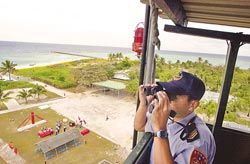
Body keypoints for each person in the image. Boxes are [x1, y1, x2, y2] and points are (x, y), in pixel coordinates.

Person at [134, 71, 216, 164]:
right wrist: (144, 104)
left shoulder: (199, 142)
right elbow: (139, 126)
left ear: (192, 105)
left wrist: (160, 130)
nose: (167, 98)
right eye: (167, 91)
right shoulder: (168, 117)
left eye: (172, 95)